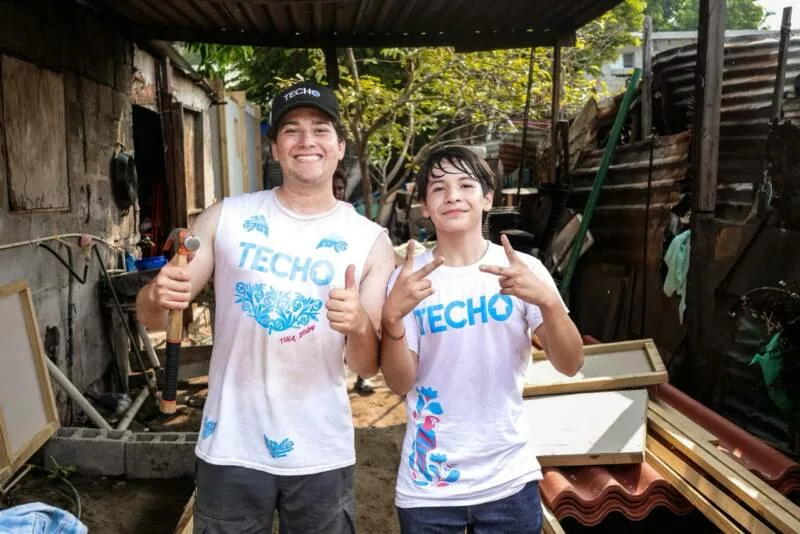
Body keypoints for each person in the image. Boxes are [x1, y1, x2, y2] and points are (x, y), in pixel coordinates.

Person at [136, 81, 395, 533]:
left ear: (340, 147)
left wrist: (358, 325)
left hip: (320, 450)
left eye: (320, 129)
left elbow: (366, 365)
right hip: (231, 444)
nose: (307, 141)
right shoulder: (227, 217)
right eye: (292, 130)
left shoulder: (370, 241)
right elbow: (154, 316)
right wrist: (156, 295)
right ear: (275, 147)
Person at [380, 147, 584, 533]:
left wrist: (548, 303)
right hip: (429, 489)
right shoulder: (408, 280)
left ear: (488, 198)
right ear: (424, 205)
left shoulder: (524, 270)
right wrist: (391, 319)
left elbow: (571, 364)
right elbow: (399, 383)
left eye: (465, 185)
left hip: (509, 480)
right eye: (438, 188)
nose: (452, 196)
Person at [331, 168, 378, 395]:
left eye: (340, 188)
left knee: (358, 328)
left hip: (350, 280)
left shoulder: (352, 217)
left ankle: (362, 377)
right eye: (333, 188)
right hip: (322, 285)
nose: (336, 192)